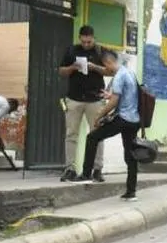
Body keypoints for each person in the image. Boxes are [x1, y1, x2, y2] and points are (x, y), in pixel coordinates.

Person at [76, 49, 141, 202]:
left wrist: (99, 116)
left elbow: (114, 103)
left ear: (108, 63)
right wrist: (110, 95)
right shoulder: (130, 73)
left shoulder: (119, 76)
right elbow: (125, 96)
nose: (106, 69)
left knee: (92, 137)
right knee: (130, 156)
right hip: (134, 120)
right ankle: (131, 192)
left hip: (123, 119)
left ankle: (86, 175)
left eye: (105, 66)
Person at [59, 25, 109, 183]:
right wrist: (73, 67)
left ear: (93, 38)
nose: (87, 44)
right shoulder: (71, 51)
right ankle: (70, 169)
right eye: (84, 41)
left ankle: (97, 169)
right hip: (74, 98)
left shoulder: (101, 51)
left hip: (95, 99)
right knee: (71, 134)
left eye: (89, 42)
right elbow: (61, 71)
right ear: (80, 38)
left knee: (97, 135)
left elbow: (111, 71)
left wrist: (95, 67)